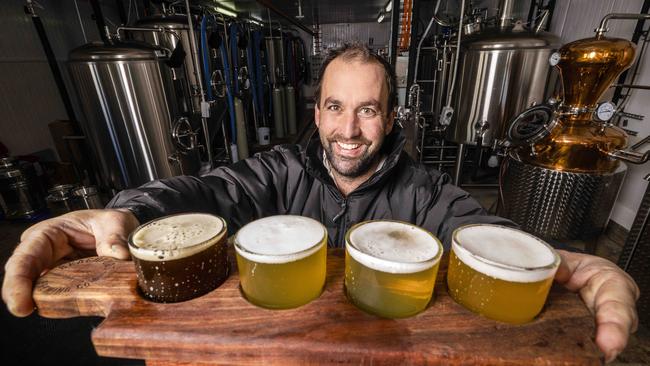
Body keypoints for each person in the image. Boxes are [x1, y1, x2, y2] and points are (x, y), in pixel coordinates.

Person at [2, 44, 639, 363]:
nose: (349, 130)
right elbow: (201, 191)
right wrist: (131, 210)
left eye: (368, 110)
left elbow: (481, 229)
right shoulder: (278, 170)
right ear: (317, 112)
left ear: (390, 120)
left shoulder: (423, 190)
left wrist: (558, 260)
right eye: (335, 107)